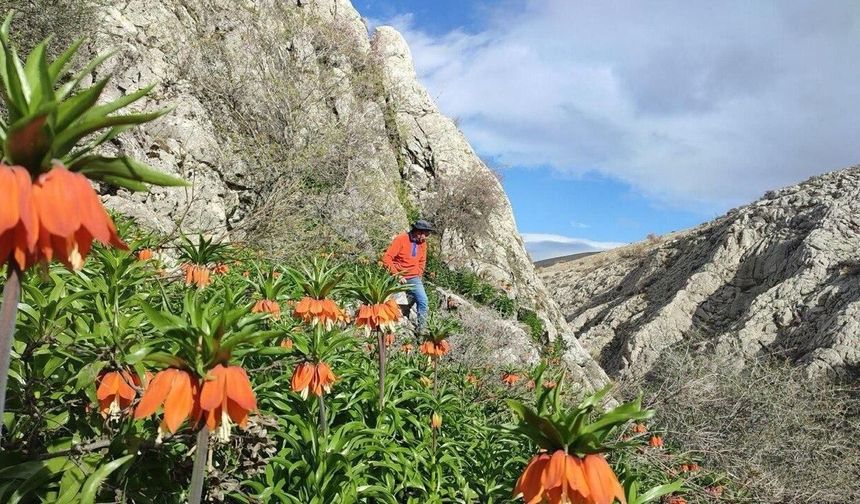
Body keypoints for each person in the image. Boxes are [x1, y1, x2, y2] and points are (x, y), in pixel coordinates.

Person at [381, 220, 435, 335]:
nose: (426, 237)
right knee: (389, 302)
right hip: (396, 276)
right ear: (418, 232)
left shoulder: (423, 244)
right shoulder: (401, 239)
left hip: (413, 277)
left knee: (423, 300)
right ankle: (386, 326)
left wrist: (418, 275)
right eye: (426, 234)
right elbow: (386, 258)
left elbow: (422, 261)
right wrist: (397, 274)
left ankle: (421, 328)